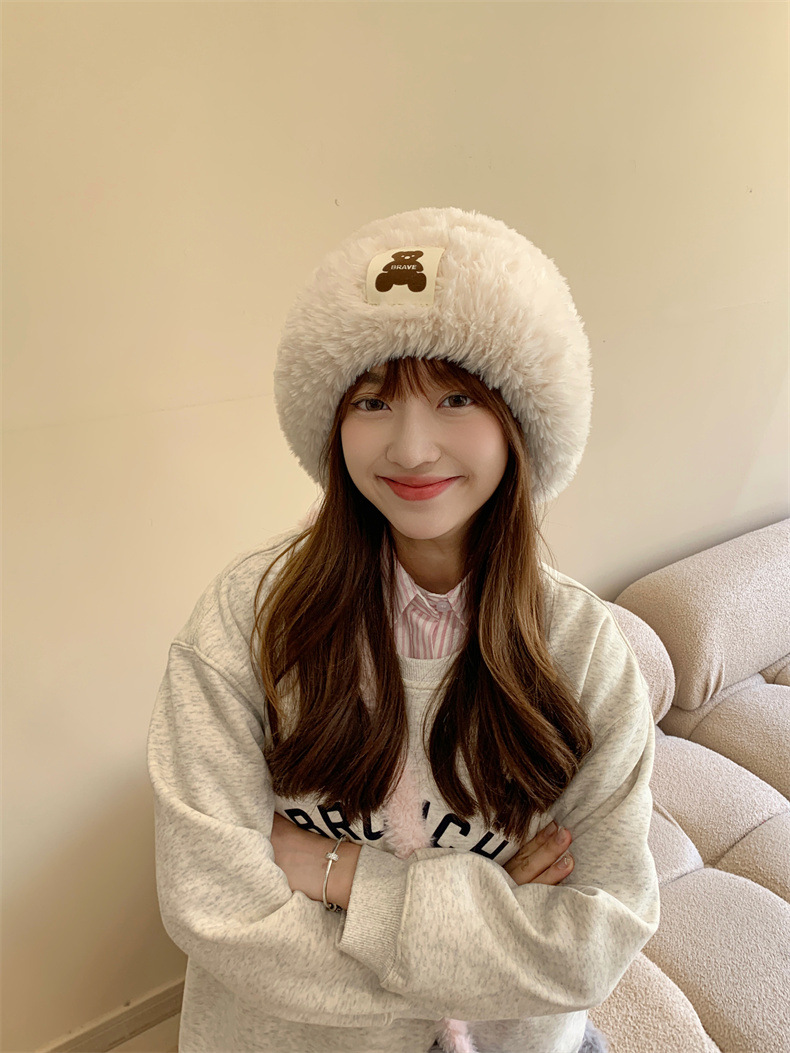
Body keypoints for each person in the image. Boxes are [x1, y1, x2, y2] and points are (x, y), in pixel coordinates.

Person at [147, 207, 660, 1053]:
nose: (412, 448)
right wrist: (489, 911)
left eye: (456, 396)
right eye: (374, 399)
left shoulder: (585, 653)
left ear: (519, 417)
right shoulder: (245, 624)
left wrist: (335, 871)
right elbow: (218, 912)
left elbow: (594, 944)